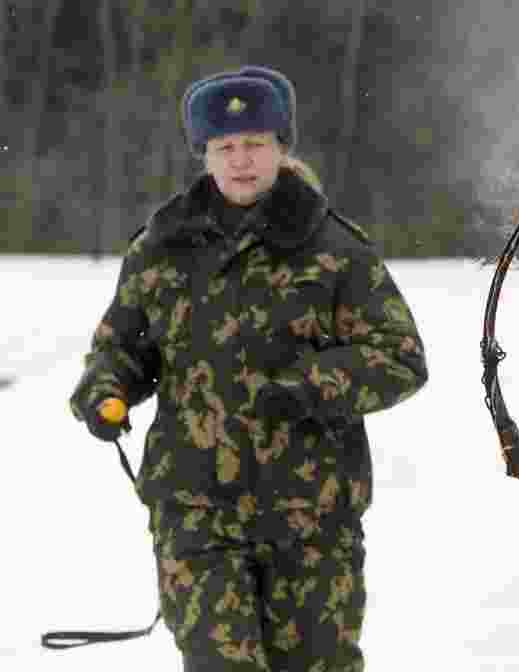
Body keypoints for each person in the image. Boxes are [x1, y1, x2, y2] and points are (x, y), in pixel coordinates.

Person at [69, 65, 428, 671]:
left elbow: (401, 356)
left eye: (256, 144)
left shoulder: (335, 249)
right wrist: (104, 391)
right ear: (205, 154)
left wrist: (310, 386)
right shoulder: (162, 246)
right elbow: (121, 347)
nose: (240, 160)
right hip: (195, 513)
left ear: (283, 149)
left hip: (311, 519)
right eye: (225, 147)